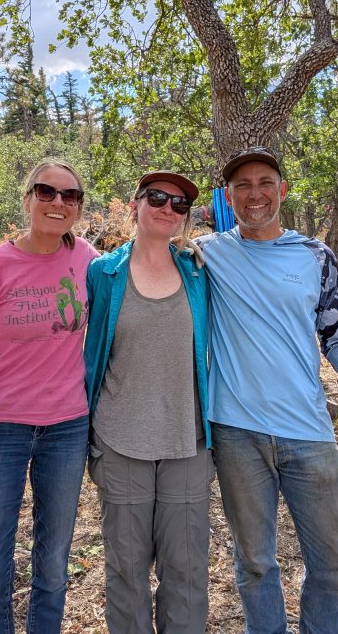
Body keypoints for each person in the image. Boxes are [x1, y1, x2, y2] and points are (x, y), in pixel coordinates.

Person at [194, 147, 338, 634]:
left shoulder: (316, 255)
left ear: (282, 190)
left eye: (265, 182)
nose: (254, 194)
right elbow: (138, 260)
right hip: (236, 432)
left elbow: (337, 334)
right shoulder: (207, 254)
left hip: (307, 431)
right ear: (228, 196)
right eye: (242, 186)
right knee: (254, 563)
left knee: (332, 563)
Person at [0, 159, 99, 634]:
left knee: (54, 561)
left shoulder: (88, 260)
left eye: (70, 196)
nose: (58, 202)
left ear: (78, 208)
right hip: (1, 432)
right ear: (28, 199)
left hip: (68, 428)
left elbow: (137, 280)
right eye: (46, 191)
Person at [83, 171, 213, 634]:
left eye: (180, 205)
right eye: (157, 197)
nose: (167, 208)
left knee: (187, 572)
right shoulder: (103, 273)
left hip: (188, 443)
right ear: (135, 203)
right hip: (121, 444)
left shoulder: (198, 269)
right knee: (127, 574)